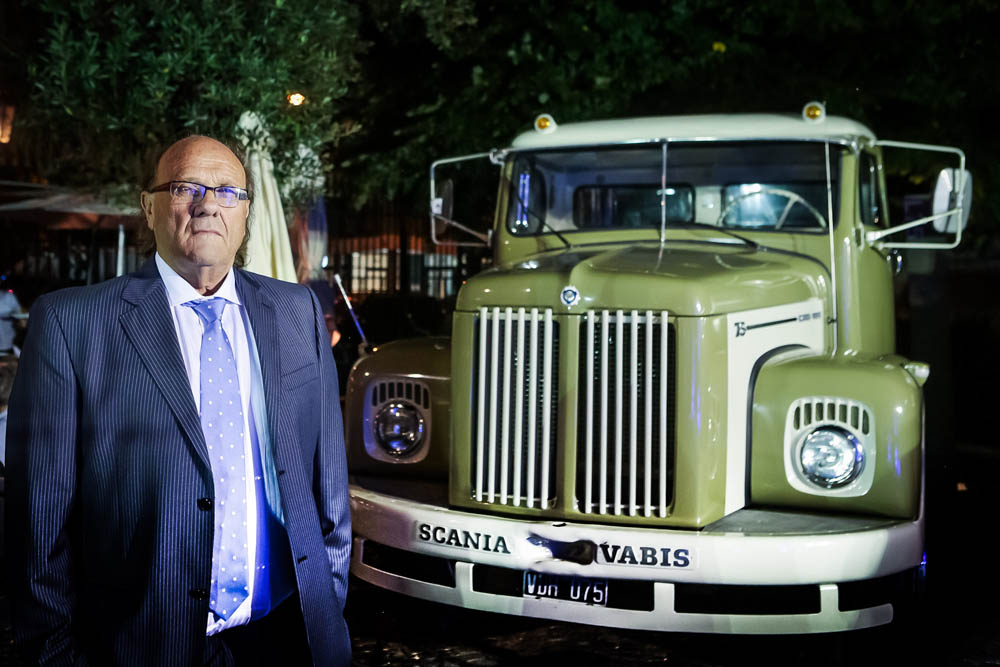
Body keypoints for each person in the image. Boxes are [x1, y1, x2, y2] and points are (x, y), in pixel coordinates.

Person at [5, 135, 351, 666]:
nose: (209, 204)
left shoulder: (296, 311)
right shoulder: (71, 324)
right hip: (140, 644)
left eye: (228, 191)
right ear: (149, 207)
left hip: (287, 636)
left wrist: (328, 599)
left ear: (246, 213)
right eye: (187, 187)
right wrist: (55, 655)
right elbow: (37, 523)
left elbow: (329, 486)